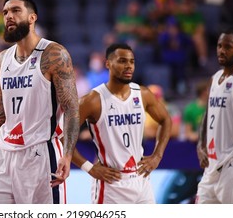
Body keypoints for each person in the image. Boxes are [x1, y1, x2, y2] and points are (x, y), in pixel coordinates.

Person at [0, 0, 80, 204]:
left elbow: (71, 108)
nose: (9, 16)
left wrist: (67, 155)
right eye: (5, 12)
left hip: (40, 154)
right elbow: (2, 114)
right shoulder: (2, 59)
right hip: (5, 154)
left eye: (15, 10)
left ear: (32, 18)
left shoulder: (54, 54)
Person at [72, 43, 171, 204]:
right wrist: (89, 168)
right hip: (111, 185)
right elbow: (63, 136)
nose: (129, 66)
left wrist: (157, 156)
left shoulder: (143, 94)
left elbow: (166, 120)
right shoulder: (92, 100)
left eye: (132, 61)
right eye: (122, 61)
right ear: (108, 64)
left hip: (141, 181)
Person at [196, 27, 233, 204]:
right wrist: (200, 145)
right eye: (219, 46)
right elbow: (207, 115)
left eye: (228, 46)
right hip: (210, 166)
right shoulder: (214, 78)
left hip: (232, 166)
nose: (221, 51)